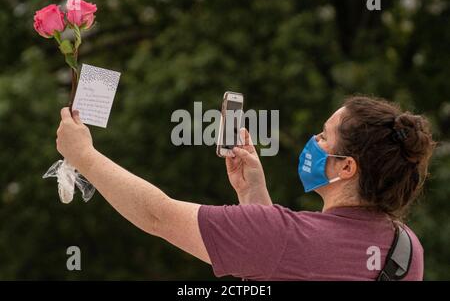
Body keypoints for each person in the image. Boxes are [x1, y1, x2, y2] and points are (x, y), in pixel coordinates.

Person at [55, 95, 435, 280]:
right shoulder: (406, 247)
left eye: (323, 136)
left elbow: (157, 215)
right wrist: (253, 199)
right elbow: (292, 262)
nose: (312, 141)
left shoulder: (285, 236)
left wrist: (84, 155)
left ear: (347, 167)